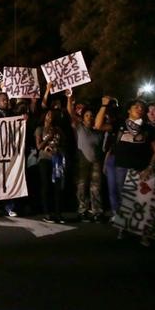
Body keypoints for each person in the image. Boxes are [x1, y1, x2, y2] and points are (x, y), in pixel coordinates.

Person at [95, 97, 155, 243]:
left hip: (141, 169)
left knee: (142, 200)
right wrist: (104, 105)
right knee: (124, 198)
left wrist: (149, 168)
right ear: (129, 110)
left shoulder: (148, 129)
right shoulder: (119, 124)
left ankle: (144, 232)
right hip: (121, 168)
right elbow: (98, 125)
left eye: (141, 107)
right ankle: (123, 227)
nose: (139, 109)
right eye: (135, 106)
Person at [67, 90, 103, 222]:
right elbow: (70, 112)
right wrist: (69, 97)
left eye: (92, 115)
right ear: (83, 117)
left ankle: (96, 211)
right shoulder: (79, 127)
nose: (90, 117)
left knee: (96, 187)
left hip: (96, 161)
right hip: (82, 161)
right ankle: (82, 210)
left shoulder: (98, 130)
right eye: (87, 115)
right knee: (82, 186)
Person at [36, 109, 67, 223]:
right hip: (44, 159)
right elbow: (39, 146)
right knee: (46, 186)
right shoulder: (40, 129)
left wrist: (58, 149)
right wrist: (49, 138)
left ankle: (58, 213)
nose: (50, 117)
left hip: (57, 160)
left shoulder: (58, 129)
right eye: (48, 114)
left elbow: (64, 142)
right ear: (44, 116)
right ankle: (47, 213)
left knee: (57, 187)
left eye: (52, 115)